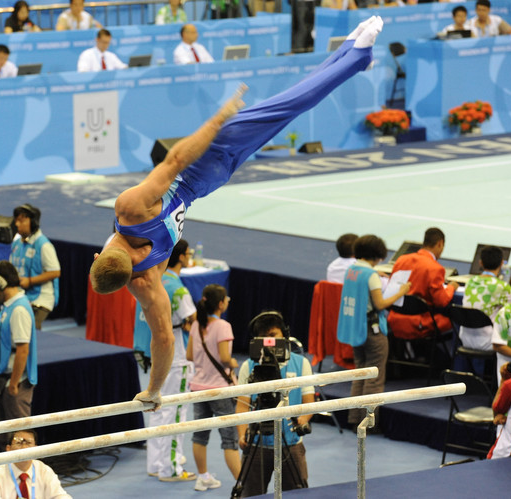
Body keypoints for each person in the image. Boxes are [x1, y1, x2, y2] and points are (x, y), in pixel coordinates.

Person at [90, 16, 383, 408]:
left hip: (209, 181)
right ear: (100, 255)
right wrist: (218, 118)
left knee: (289, 109)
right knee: (289, 105)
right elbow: (175, 157)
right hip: (205, 160)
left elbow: (163, 340)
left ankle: (355, 56)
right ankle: (356, 54)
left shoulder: (145, 283)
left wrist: (154, 390)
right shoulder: (129, 209)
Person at [235, 311, 314, 497]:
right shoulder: (248, 366)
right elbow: (242, 405)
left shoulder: (301, 364)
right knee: (250, 495)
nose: (268, 342)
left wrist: (300, 422)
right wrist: (241, 433)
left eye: (272, 336)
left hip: (291, 443)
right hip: (256, 443)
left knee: (297, 495)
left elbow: (309, 402)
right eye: (262, 338)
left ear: (284, 335)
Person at [337, 235, 411, 429]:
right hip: (373, 331)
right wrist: (401, 292)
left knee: (360, 373)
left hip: (357, 330)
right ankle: (368, 422)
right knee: (374, 378)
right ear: (378, 255)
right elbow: (380, 303)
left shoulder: (352, 270)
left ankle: (354, 418)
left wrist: (375, 275)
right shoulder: (371, 276)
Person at [144, 240, 197, 482]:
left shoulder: (153, 281)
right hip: (176, 355)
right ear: (183, 257)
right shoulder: (178, 288)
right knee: (176, 413)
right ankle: (171, 468)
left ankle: (156, 464)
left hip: (157, 353)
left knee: (156, 409)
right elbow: (192, 320)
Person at [0, 261, 37, 448]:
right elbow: (11, 337)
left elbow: (23, 349)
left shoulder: (18, 309)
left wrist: (13, 384)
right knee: (6, 437)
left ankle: (27, 474)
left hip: (15, 383)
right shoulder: (9, 306)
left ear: (0, 284)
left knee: (21, 436)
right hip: (6, 379)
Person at [186, 284, 240, 492]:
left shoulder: (196, 325)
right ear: (220, 304)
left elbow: (190, 355)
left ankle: (203, 477)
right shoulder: (223, 326)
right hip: (220, 390)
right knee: (230, 439)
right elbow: (225, 358)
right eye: (226, 299)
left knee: (200, 436)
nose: (228, 301)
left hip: (198, 388)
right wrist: (233, 363)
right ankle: (243, 485)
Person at [387, 227, 459, 340]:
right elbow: (442, 301)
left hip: (394, 320)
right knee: (455, 321)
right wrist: (451, 287)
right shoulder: (435, 268)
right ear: (440, 244)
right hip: (419, 324)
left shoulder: (401, 260)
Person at [10, 204, 61, 330]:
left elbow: (55, 272)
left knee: (29, 328)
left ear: (33, 222)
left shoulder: (43, 245)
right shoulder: (17, 244)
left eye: (21, 220)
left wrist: (30, 281)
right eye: (16, 220)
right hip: (21, 296)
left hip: (40, 298)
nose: (17, 224)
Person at [0, 430, 70, 498]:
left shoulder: (44, 470)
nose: (24, 448)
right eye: (18, 443)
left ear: (36, 448)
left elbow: (59, 496)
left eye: (28, 443)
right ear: (8, 449)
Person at [458, 245, 511, 351]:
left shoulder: (470, 282)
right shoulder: (503, 287)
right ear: (502, 263)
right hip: (489, 342)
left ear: (480, 263)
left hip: (464, 339)